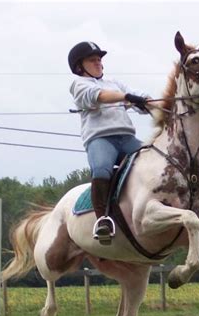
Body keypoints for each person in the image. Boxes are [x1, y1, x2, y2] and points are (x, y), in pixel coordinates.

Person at [68, 41, 150, 245]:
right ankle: (103, 220)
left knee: (156, 160)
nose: (99, 63)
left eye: (99, 60)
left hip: (127, 138)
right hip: (100, 139)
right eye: (93, 60)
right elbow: (100, 97)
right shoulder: (79, 84)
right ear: (80, 66)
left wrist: (150, 101)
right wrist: (126, 97)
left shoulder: (115, 83)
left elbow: (138, 96)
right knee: (102, 170)